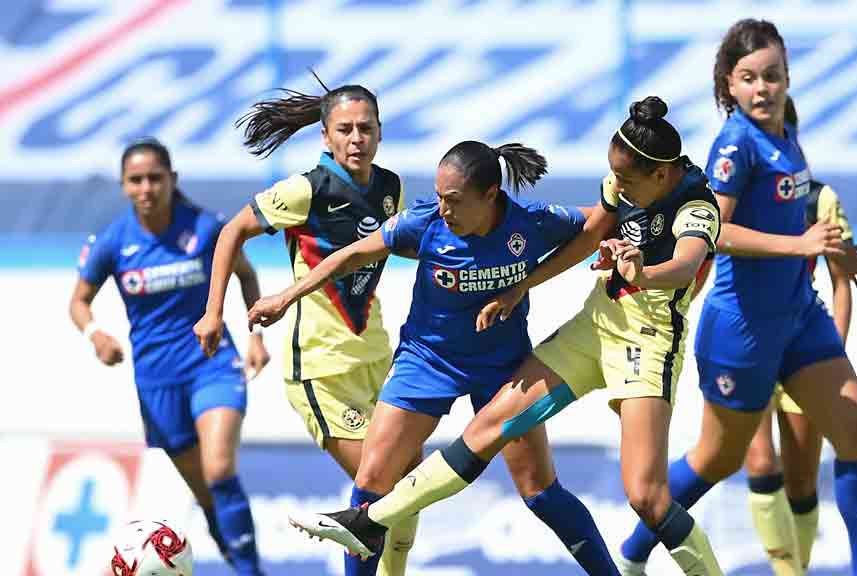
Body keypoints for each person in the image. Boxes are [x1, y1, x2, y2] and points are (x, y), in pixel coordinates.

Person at [268, 96, 727, 575]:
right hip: (480, 350)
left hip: (632, 343)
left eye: (628, 183)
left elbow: (684, 265)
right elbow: (595, 230)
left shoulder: (693, 205)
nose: (619, 193)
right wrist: (522, 286)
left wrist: (642, 271)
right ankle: (365, 523)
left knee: (630, 497)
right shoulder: (428, 221)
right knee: (431, 454)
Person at [249, 139, 623, 575]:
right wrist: (287, 295)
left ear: (490, 196)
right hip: (427, 361)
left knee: (540, 490)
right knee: (371, 484)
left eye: (454, 200)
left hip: (504, 370)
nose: (443, 208)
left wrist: (598, 244)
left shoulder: (532, 223)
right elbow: (351, 255)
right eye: (440, 196)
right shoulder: (424, 222)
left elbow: (598, 224)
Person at [616, 20, 857, 576]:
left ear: (787, 77)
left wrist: (837, 250)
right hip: (743, 327)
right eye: (749, 79)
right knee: (722, 458)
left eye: (772, 75)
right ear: (729, 85)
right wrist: (798, 245)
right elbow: (713, 227)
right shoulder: (735, 142)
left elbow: (798, 205)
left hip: (799, 317)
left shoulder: (785, 127)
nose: (763, 88)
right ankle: (635, 551)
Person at [193, 82, 420, 576]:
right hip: (321, 367)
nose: (356, 138)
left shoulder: (391, 189)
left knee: (412, 486)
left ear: (380, 134)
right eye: (345, 129)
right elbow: (231, 231)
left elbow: (392, 248)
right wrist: (215, 312)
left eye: (366, 128)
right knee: (382, 485)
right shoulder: (306, 190)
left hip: (378, 356)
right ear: (325, 136)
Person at [70, 138, 269, 575]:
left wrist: (255, 335)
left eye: (155, 178)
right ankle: (240, 565)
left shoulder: (206, 228)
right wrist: (95, 333)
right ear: (123, 186)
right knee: (206, 494)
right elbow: (79, 301)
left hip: (211, 363)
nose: (146, 188)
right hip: (156, 381)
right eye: (136, 180)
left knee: (219, 469)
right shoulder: (112, 242)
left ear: (172, 179)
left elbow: (247, 276)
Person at [739, 96, 857, 575]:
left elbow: (842, 282)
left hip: (801, 347)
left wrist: (831, 349)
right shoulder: (734, 198)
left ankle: (799, 567)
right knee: (759, 463)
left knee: (801, 481)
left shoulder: (819, 198)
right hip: (749, 344)